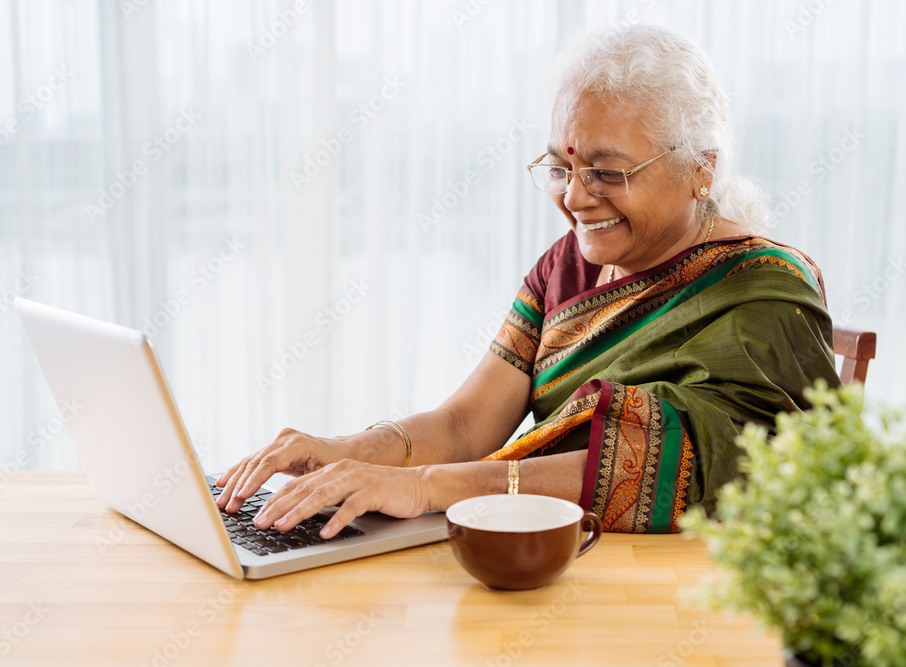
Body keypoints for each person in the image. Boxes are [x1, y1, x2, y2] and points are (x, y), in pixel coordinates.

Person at [215, 25, 841, 536]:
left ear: (701, 169)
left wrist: (427, 488)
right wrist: (343, 451)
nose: (575, 198)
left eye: (607, 172)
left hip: (679, 593)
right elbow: (466, 425)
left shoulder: (766, 290)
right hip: (545, 559)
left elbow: (718, 470)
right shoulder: (565, 265)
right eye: (560, 166)